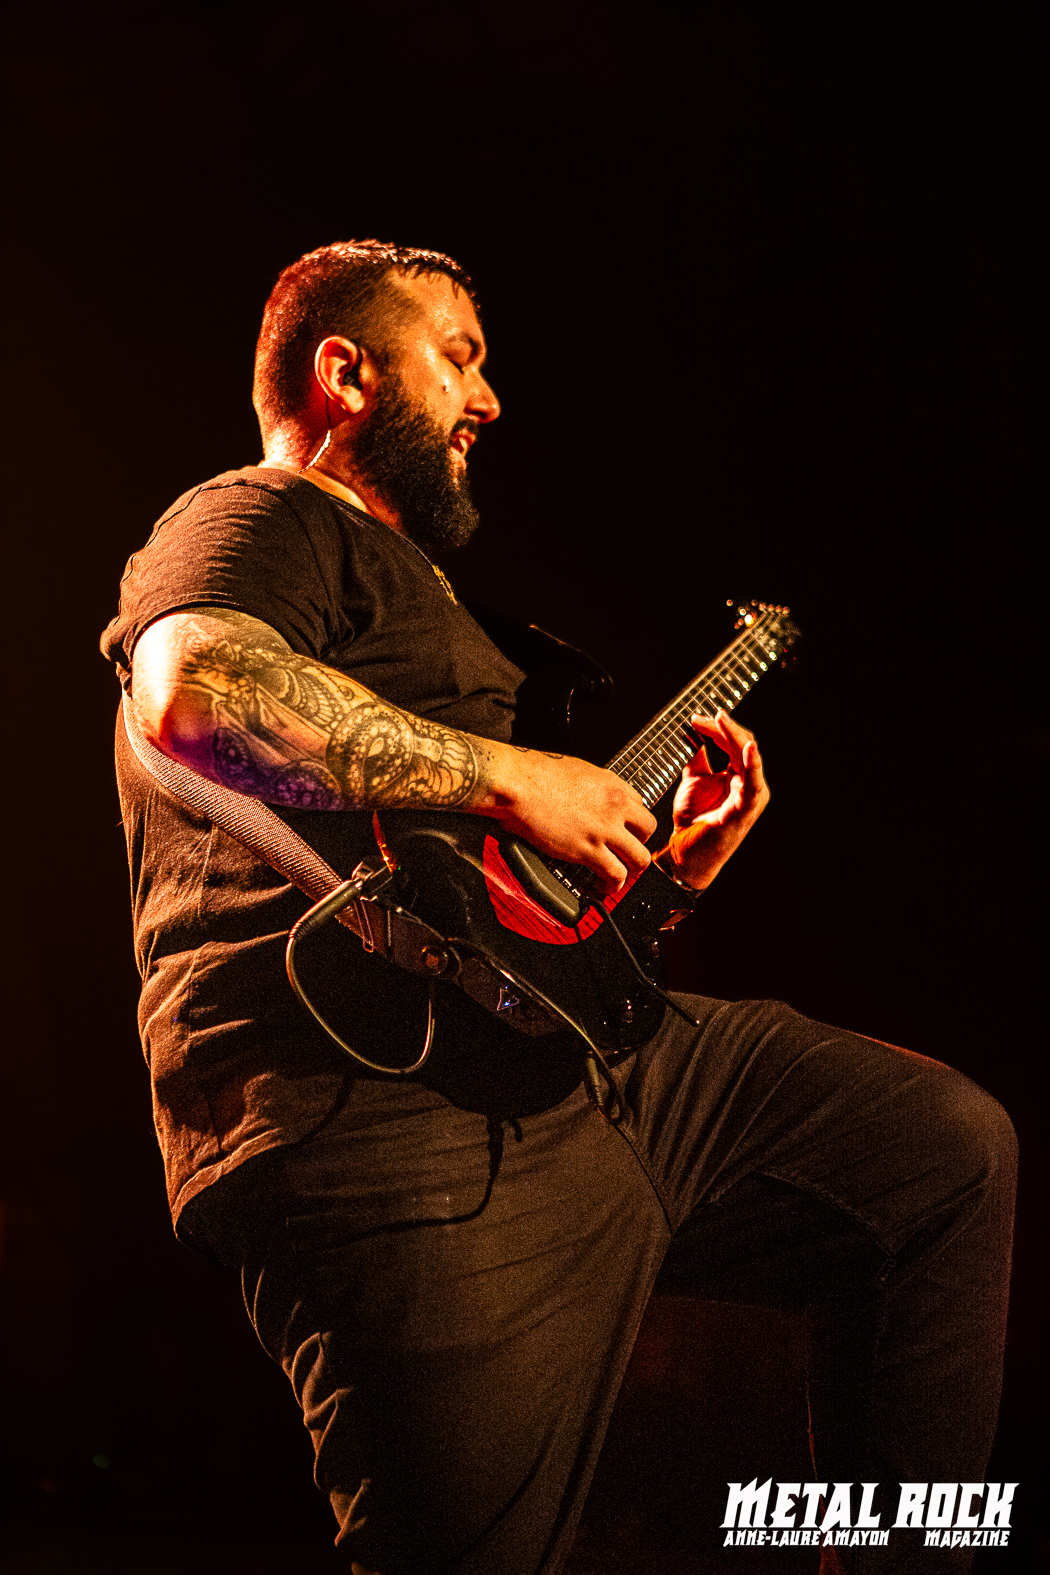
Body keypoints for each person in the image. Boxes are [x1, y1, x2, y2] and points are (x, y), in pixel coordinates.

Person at [101, 240, 1016, 1574]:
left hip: (590, 1070)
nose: (488, 399)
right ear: (345, 373)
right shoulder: (256, 517)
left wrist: (659, 886)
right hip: (386, 1112)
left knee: (939, 1153)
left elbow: (487, 903)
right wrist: (520, 777)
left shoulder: (436, 606)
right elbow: (193, 696)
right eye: (457, 357)